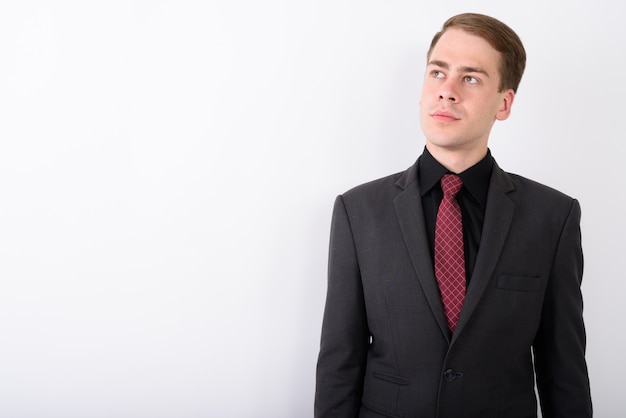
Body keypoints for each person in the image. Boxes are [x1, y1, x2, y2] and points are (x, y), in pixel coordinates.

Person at [314, 13, 592, 418]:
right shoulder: (358, 212)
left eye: (471, 78)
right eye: (437, 73)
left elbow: (563, 370)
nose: (447, 91)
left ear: (504, 103)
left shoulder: (553, 217)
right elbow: (340, 362)